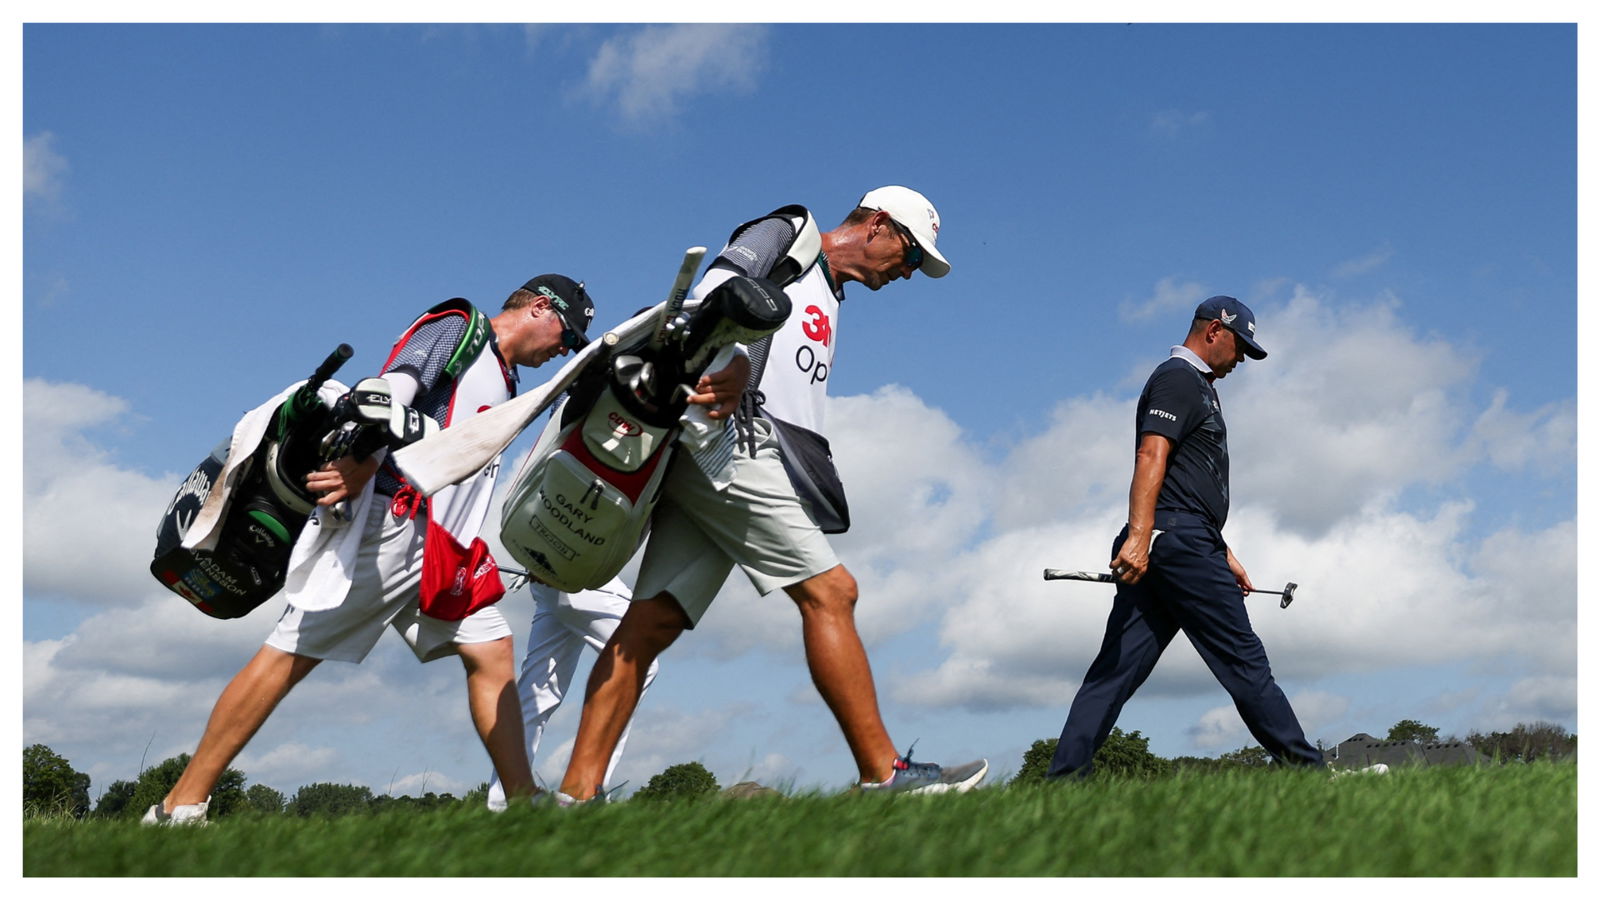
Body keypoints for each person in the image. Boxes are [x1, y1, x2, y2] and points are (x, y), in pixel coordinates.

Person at [554, 187, 987, 804]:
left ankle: (574, 796)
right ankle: (885, 776)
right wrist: (730, 359)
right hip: (726, 447)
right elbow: (715, 290)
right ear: (879, 227)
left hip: (722, 458)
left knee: (650, 623)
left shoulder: (829, 294)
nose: (909, 272)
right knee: (832, 592)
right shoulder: (790, 230)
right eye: (912, 255)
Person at [144, 275, 599, 824]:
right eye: (566, 336)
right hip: (387, 527)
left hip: (436, 546)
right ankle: (179, 806)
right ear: (540, 309)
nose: (562, 350)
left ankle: (524, 805)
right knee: (288, 656)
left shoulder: (505, 377)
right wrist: (362, 452)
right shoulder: (459, 327)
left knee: (493, 650)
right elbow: (388, 391)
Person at [1047, 296, 1325, 779]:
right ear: (1215, 331)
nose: (1241, 360)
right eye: (1240, 347)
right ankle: (1309, 773)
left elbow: (1188, 481)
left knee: (1115, 671)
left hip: (1176, 539)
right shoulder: (1178, 379)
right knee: (1244, 661)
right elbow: (1151, 456)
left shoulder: (1198, 386)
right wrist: (1140, 537)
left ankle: (1063, 780)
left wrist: (1223, 551)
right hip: (1174, 542)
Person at [483, 576, 657, 810]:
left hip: (549, 580)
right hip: (582, 578)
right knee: (639, 663)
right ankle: (586, 794)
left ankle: (503, 802)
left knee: (537, 691)